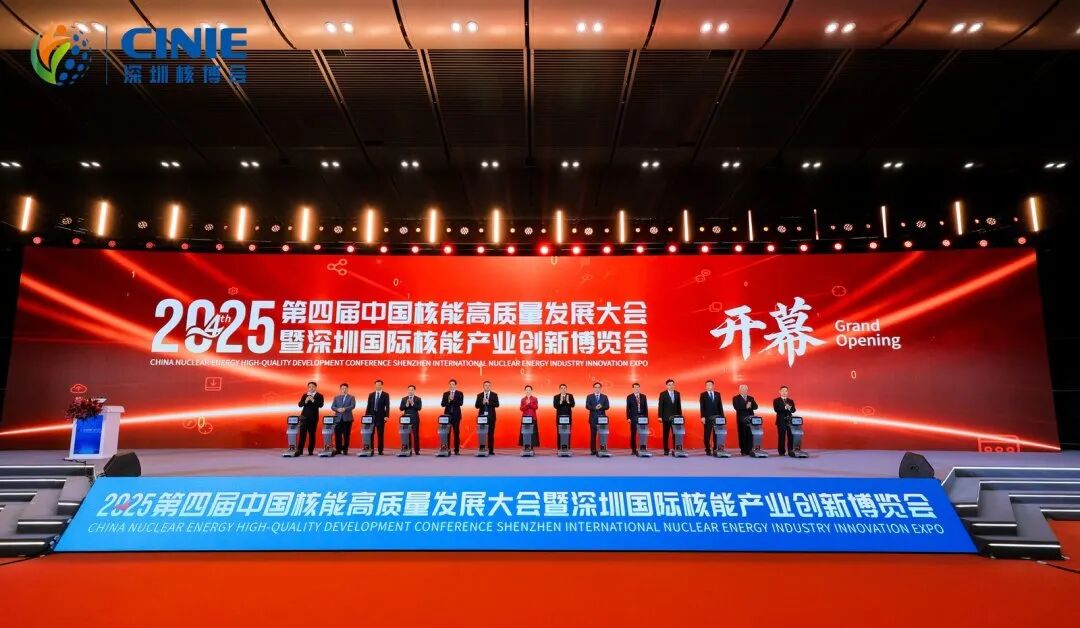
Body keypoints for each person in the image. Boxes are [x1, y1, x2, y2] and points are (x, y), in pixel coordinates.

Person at [294, 381, 323, 456]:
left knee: (312, 435)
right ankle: (300, 451)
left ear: (315, 387)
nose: (311, 388)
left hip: (313, 418)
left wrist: (313, 400)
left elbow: (320, 405)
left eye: (313, 387)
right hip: (303, 417)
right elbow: (300, 405)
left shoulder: (319, 395)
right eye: (309, 387)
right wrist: (306, 401)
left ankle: (310, 451)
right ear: (308, 388)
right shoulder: (305, 395)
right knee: (302, 434)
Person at [365, 379, 391, 455]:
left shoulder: (385, 394)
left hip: (381, 417)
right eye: (376, 385)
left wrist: (386, 416)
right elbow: (368, 406)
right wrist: (366, 417)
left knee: (380, 434)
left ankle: (380, 450)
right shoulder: (371, 395)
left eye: (379, 385)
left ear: (381, 385)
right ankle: (371, 449)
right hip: (371, 417)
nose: (378, 386)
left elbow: (387, 406)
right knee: (370, 434)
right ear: (375, 385)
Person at [732, 384, 759, 456]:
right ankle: (743, 450)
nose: (744, 391)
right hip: (741, 419)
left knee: (750, 434)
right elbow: (736, 407)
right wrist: (745, 406)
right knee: (742, 434)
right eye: (743, 389)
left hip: (750, 419)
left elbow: (756, 406)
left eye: (746, 390)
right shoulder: (736, 398)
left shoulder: (751, 398)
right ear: (740, 390)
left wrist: (750, 406)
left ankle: (749, 450)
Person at [658, 379, 683, 455]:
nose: (671, 386)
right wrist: (660, 416)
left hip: (676, 418)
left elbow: (679, 406)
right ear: (666, 386)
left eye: (672, 384)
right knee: (666, 434)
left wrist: (680, 417)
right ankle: (666, 450)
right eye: (669, 385)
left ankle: (676, 449)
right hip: (666, 418)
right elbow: (660, 406)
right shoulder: (663, 394)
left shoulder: (677, 393)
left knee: (676, 434)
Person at [475, 380, 500, 454]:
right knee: (482, 433)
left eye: (489, 385)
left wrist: (489, 402)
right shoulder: (479, 395)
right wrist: (482, 403)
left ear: (490, 386)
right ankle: (482, 448)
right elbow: (476, 406)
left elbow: (497, 404)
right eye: (486, 385)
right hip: (482, 418)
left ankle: (491, 450)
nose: (487, 387)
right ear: (483, 386)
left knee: (491, 433)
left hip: (491, 417)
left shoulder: (494, 395)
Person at [585, 382, 610, 456]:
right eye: (596, 387)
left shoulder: (604, 396)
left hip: (602, 419)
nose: (597, 388)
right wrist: (595, 408)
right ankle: (593, 450)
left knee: (602, 434)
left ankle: (602, 448)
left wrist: (601, 407)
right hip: (593, 418)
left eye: (598, 387)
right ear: (594, 388)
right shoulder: (589, 396)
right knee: (593, 435)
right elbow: (587, 406)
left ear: (600, 388)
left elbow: (607, 406)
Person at [330, 383, 355, 455]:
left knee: (346, 435)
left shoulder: (351, 397)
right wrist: (337, 409)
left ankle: (345, 450)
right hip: (338, 419)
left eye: (345, 388)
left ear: (347, 389)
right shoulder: (336, 397)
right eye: (342, 388)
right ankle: (338, 449)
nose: (344, 390)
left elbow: (353, 406)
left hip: (347, 419)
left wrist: (345, 409)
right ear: (340, 389)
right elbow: (332, 407)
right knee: (337, 435)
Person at [699, 380, 723, 456]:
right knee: (707, 434)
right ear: (705, 387)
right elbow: (702, 407)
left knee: (717, 434)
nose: (708, 386)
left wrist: (722, 417)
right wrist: (702, 417)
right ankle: (708, 449)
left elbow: (720, 406)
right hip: (707, 417)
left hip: (717, 418)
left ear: (713, 386)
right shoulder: (703, 395)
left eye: (710, 385)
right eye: (707, 385)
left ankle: (715, 448)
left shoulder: (717, 394)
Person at [441, 379, 465, 455]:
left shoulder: (460, 393)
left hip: (456, 415)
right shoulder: (445, 394)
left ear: (455, 385)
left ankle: (456, 450)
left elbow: (461, 403)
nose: (451, 385)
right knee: (447, 433)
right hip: (447, 416)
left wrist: (453, 400)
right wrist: (448, 400)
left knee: (456, 432)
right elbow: (442, 404)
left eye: (453, 384)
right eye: (450, 384)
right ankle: (447, 449)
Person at [774, 385, 797, 457]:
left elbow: (794, 410)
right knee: (782, 436)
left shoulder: (790, 401)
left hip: (790, 421)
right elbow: (776, 410)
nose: (784, 392)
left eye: (786, 391)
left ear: (787, 392)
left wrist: (790, 408)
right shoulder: (776, 400)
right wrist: (785, 407)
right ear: (780, 392)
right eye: (783, 391)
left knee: (791, 436)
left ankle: (790, 451)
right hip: (781, 421)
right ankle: (781, 452)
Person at [626, 383, 648, 455]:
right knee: (633, 433)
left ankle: (643, 447)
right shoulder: (629, 397)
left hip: (642, 417)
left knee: (643, 433)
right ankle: (633, 449)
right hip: (633, 417)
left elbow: (646, 408)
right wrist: (628, 418)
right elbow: (628, 408)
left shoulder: (643, 396)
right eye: (635, 387)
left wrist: (646, 418)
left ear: (639, 388)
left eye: (638, 387)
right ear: (633, 388)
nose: (636, 388)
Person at [399, 385, 422, 455]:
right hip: (406, 419)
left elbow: (419, 408)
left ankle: (417, 450)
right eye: (409, 390)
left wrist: (412, 403)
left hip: (415, 419)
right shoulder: (404, 399)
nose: (410, 391)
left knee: (415, 434)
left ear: (414, 390)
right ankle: (408, 449)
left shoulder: (418, 399)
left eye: (412, 390)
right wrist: (406, 405)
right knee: (407, 434)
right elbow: (401, 408)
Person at [553, 384, 575, 449]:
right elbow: (555, 406)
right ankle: (559, 448)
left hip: (568, 417)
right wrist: (560, 401)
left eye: (564, 388)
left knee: (568, 432)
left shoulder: (570, 396)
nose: (563, 389)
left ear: (566, 389)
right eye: (562, 388)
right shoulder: (556, 397)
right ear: (560, 389)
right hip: (559, 417)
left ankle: (567, 447)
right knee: (559, 432)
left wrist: (568, 401)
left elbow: (573, 405)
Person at [519, 385, 539, 449]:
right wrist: (527, 405)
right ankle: (526, 446)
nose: (528, 391)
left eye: (529, 390)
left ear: (531, 390)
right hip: (525, 418)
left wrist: (529, 403)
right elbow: (521, 408)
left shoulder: (535, 398)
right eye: (526, 390)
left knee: (532, 433)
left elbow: (536, 407)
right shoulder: (523, 399)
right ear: (525, 391)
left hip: (533, 418)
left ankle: (531, 447)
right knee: (525, 432)